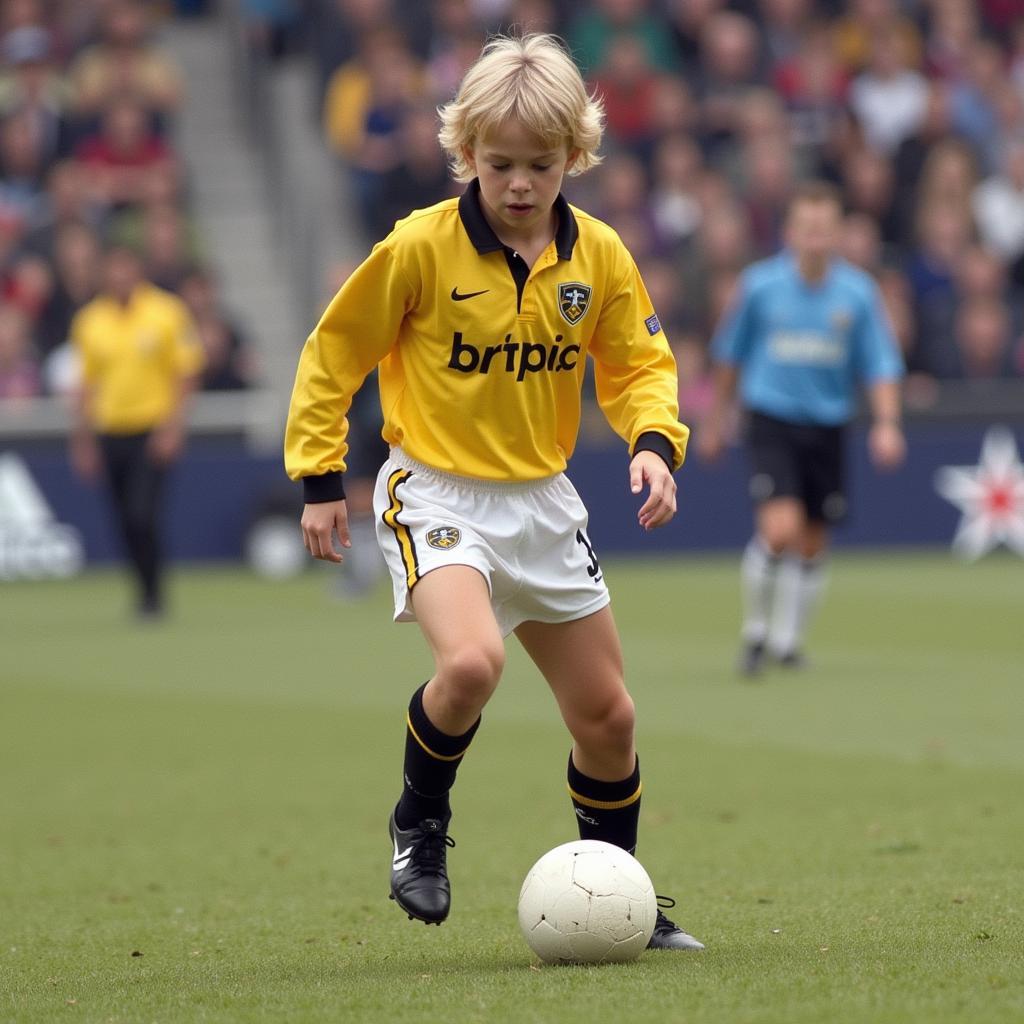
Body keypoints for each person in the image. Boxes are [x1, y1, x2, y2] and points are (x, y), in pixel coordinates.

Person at [285, 33, 703, 951]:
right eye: (500, 163)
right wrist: (321, 479)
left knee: (609, 716)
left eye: (541, 165)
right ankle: (418, 825)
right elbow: (333, 353)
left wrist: (654, 445)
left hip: (543, 504)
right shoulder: (419, 249)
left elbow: (640, 364)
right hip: (433, 493)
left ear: (575, 159)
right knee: (473, 664)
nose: (520, 183)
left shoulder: (598, 255)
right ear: (465, 154)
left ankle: (620, 893)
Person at [700, 181, 905, 675]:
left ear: (837, 234)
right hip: (772, 418)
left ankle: (787, 643)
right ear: (790, 232)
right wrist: (714, 419)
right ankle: (754, 635)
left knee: (813, 539)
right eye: (807, 229)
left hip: (828, 424)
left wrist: (887, 423)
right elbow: (729, 356)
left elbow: (879, 363)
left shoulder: (857, 293)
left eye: (824, 230)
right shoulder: (760, 286)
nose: (815, 239)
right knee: (779, 528)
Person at [69, 243, 204, 618]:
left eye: (126, 268)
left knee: (142, 513)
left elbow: (186, 373)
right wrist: (82, 439)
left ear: (138, 270)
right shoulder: (90, 320)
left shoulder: (165, 312)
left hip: (151, 428)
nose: (119, 277)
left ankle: (153, 594)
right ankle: (143, 588)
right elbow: (86, 384)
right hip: (109, 430)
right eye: (112, 269)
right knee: (122, 518)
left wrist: (173, 427)